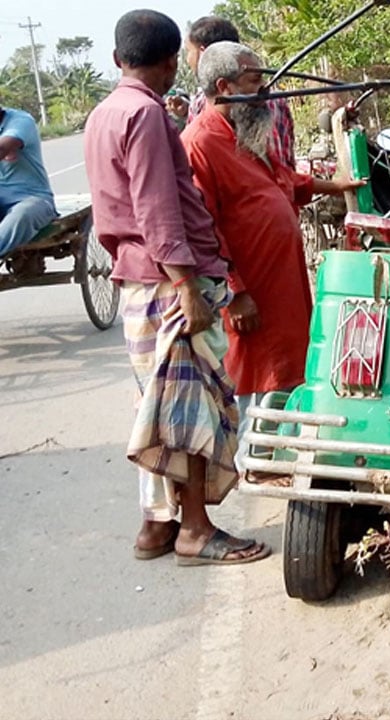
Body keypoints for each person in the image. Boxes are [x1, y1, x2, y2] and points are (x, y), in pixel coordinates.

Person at [84, 9, 269, 565]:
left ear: (118, 59)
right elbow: (157, 208)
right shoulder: (145, 116)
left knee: (159, 406)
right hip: (168, 285)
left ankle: (156, 527)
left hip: (142, 282)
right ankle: (195, 530)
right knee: (192, 411)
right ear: (170, 63)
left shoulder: (103, 113)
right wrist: (188, 285)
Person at [183, 41, 362, 450]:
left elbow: (282, 180)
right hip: (251, 291)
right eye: (255, 80)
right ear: (225, 87)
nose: (265, 89)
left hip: (282, 284)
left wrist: (336, 185)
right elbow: (203, 228)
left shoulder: (243, 132)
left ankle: (280, 452)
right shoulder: (200, 143)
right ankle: (255, 460)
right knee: (255, 379)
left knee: (287, 372)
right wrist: (236, 293)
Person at [184, 16, 296, 170]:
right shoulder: (278, 101)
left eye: (188, 51)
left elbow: (287, 175)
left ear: (203, 53)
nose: (264, 86)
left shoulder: (200, 103)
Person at [0, 106, 58, 258]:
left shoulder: (21, 121)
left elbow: (3, 147)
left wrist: (7, 150)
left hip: (34, 198)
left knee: (22, 215)